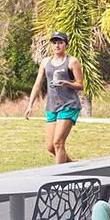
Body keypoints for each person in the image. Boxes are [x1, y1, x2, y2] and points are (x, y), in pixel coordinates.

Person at [22, 30, 83, 164]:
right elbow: (37, 84)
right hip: (52, 106)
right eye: (54, 43)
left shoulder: (72, 62)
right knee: (51, 147)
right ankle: (73, 166)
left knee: (58, 143)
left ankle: (59, 177)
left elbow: (80, 85)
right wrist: (30, 105)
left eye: (60, 42)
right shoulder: (45, 62)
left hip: (69, 105)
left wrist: (67, 83)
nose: (57, 46)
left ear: (66, 44)